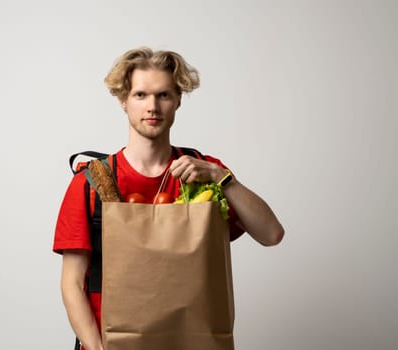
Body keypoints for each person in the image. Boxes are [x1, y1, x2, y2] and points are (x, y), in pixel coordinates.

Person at [53, 47, 284, 350]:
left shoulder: (204, 173)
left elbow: (271, 234)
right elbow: (72, 283)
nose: (152, 106)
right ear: (123, 101)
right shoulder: (91, 183)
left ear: (177, 101)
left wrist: (222, 178)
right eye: (140, 95)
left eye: (163, 95)